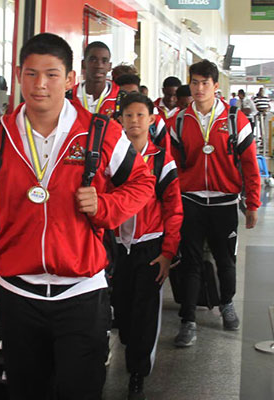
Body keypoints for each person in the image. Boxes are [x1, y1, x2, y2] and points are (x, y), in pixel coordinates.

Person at [0, 32, 154, 400]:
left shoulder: (99, 133)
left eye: (52, 74)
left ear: (70, 80)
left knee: (80, 390)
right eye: (31, 74)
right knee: (26, 391)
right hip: (18, 296)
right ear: (19, 75)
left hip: (82, 296)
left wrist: (105, 207)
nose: (40, 85)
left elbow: (142, 183)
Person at [168, 60, 261, 347]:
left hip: (224, 203)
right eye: (194, 83)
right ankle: (188, 320)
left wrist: (253, 203)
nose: (198, 88)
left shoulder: (235, 120)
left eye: (204, 83)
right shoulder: (179, 121)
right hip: (191, 201)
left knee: (226, 260)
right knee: (191, 263)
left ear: (216, 86)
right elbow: (169, 166)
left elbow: (249, 164)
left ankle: (227, 304)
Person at [113, 93, 183, 400]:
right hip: (116, 249)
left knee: (144, 313)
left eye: (141, 115)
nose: (134, 121)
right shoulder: (111, 158)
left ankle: (137, 376)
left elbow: (174, 208)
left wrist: (168, 252)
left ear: (152, 120)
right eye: (128, 115)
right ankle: (130, 346)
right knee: (124, 313)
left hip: (149, 247)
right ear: (120, 120)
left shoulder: (161, 160)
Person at [72, 41, 122, 117]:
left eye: (104, 61)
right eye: (93, 60)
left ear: (110, 66)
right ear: (83, 64)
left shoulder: (121, 99)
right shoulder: (68, 97)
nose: (99, 65)